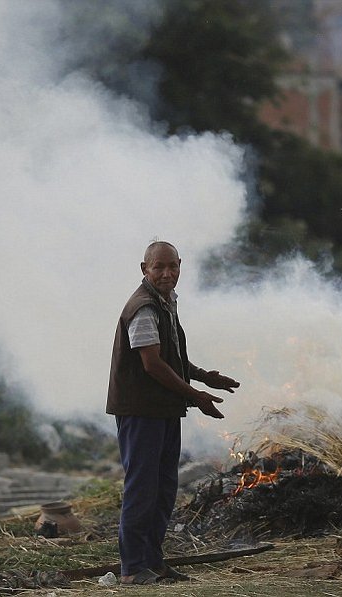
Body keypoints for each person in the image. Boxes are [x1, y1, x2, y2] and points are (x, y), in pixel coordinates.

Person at [106, 240, 240, 585]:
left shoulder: (166, 302)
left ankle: (153, 561)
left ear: (180, 265)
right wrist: (196, 396)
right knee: (141, 488)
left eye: (173, 267)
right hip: (141, 411)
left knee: (164, 488)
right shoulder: (144, 307)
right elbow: (152, 364)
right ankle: (133, 569)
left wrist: (204, 376)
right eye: (159, 268)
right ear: (144, 269)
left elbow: (172, 356)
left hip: (163, 409)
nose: (167, 274)